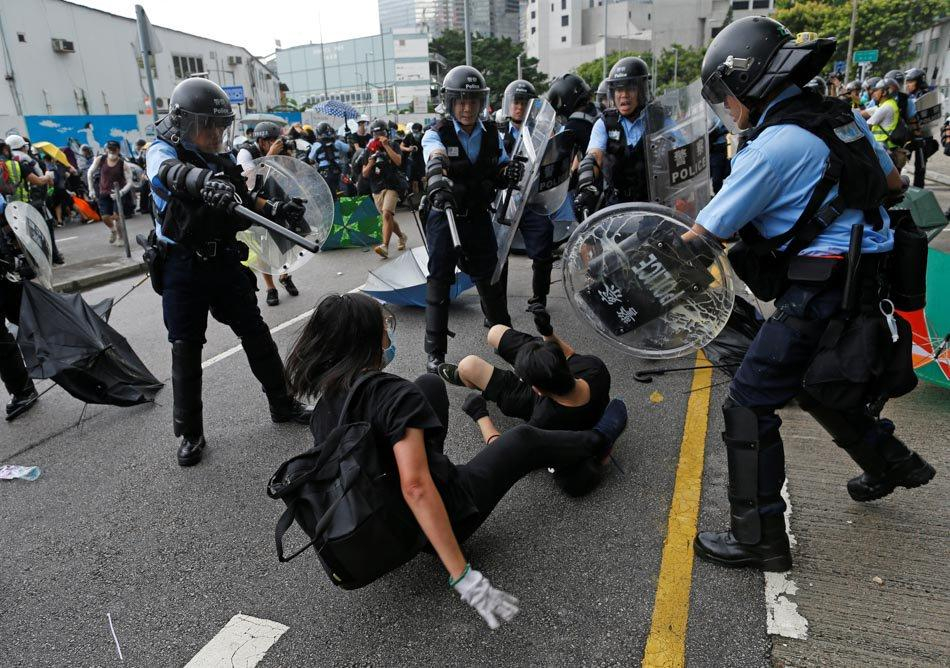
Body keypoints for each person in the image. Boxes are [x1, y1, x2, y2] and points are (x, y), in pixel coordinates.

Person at [691, 17, 935, 571]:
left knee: (750, 402)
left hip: (818, 291)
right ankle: (893, 463)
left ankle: (759, 539)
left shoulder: (774, 144)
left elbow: (703, 235)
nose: (728, 108)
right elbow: (893, 184)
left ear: (749, 81)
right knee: (823, 388)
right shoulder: (838, 118)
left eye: (727, 95)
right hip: (866, 284)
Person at [284, 292, 628, 627]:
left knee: (430, 385)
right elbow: (415, 486)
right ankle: (598, 437)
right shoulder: (393, 396)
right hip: (443, 518)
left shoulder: (326, 406)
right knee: (523, 440)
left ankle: (431, 483)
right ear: (368, 340)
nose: (388, 333)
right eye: (385, 326)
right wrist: (463, 576)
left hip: (386, 522)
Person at [146, 77, 312, 467]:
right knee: (186, 348)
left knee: (255, 331)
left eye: (221, 126)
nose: (216, 133)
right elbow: (167, 173)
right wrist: (202, 182)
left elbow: (245, 198)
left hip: (223, 261)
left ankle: (282, 403)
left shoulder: (222, 158)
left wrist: (275, 209)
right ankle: (190, 433)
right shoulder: (161, 151)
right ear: (185, 122)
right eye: (208, 125)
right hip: (182, 266)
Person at [438, 302, 612, 495]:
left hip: (529, 403)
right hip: (555, 382)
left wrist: (480, 414)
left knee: (468, 366)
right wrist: (548, 332)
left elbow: (503, 451)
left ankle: (466, 378)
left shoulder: (542, 420)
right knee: (495, 332)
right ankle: (487, 372)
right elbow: (569, 354)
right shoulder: (595, 369)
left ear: (536, 388)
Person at [420, 65, 524, 373]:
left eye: (473, 100)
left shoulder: (492, 132)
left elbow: (501, 166)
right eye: (461, 101)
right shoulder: (436, 132)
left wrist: (510, 173)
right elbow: (435, 155)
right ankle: (435, 353)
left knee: (490, 279)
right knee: (439, 280)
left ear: (481, 103)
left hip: (479, 217)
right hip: (445, 216)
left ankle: (509, 342)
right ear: (450, 102)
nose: (467, 108)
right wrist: (437, 177)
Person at [500, 78, 557, 308]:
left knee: (543, 249)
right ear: (507, 104)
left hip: (533, 201)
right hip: (504, 201)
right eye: (515, 102)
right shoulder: (496, 132)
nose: (519, 107)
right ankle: (495, 305)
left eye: (524, 102)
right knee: (497, 255)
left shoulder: (542, 132)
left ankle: (539, 297)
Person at [574, 57, 655, 216]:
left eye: (630, 88)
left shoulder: (660, 118)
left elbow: (681, 154)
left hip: (654, 205)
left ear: (642, 89)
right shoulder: (604, 123)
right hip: (616, 205)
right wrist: (586, 188)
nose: (623, 95)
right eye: (618, 89)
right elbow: (594, 156)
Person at [236, 122, 300, 307]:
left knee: (285, 241)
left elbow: (292, 172)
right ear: (262, 141)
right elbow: (250, 182)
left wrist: (286, 156)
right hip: (256, 204)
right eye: (272, 140)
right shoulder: (246, 153)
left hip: (277, 201)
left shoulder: (276, 151)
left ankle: (284, 275)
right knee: (264, 247)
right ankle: (270, 287)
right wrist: (270, 156)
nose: (276, 143)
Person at [0, 202, 39, 421]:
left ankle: (24, 391)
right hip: (6, 272)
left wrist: (18, 258)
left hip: (4, 273)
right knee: (31, 323)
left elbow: (11, 219)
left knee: (31, 325)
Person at [6, 134, 64, 265]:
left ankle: (29, 261)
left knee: (22, 234)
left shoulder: (6, 163)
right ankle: (53, 257)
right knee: (45, 229)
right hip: (34, 200)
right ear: (24, 147)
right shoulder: (26, 161)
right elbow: (39, 179)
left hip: (11, 205)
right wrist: (48, 178)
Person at [364, 118, 408, 259]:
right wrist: (371, 162)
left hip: (392, 184)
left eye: (381, 132)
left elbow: (398, 161)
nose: (379, 136)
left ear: (387, 133)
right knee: (386, 216)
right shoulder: (369, 149)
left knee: (387, 214)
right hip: (376, 187)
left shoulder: (393, 144)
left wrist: (387, 146)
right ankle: (401, 236)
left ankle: (385, 246)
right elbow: (364, 173)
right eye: (376, 133)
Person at [87, 141, 134, 245]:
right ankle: (113, 230)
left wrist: (121, 192)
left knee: (117, 217)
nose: (111, 150)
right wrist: (91, 190)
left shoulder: (123, 163)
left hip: (118, 193)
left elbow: (130, 181)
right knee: (104, 217)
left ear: (118, 150)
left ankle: (120, 237)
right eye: (109, 148)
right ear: (106, 149)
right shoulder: (100, 159)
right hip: (104, 192)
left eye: (114, 148)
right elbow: (90, 172)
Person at [865, 78, 910, 171]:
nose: (874, 93)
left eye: (877, 90)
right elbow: (864, 112)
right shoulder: (889, 104)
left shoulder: (886, 107)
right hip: (888, 147)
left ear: (885, 92)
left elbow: (866, 126)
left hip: (883, 148)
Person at [905, 67, 936, 188]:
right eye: (907, 82)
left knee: (920, 166)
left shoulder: (927, 96)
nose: (908, 85)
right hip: (909, 135)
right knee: (900, 162)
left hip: (924, 136)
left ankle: (918, 190)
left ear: (919, 82)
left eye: (911, 82)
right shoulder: (908, 96)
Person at [307, 122, 349, 197]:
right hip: (337, 172)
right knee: (340, 193)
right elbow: (349, 149)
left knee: (328, 195)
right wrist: (347, 137)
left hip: (325, 174)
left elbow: (310, 160)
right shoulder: (337, 142)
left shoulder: (316, 144)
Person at [400, 122, 426, 201]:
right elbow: (401, 146)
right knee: (411, 180)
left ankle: (422, 198)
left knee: (422, 180)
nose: (415, 134)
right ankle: (412, 199)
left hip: (422, 161)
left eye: (417, 132)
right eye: (414, 131)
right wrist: (408, 149)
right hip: (411, 161)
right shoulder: (409, 136)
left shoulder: (424, 137)